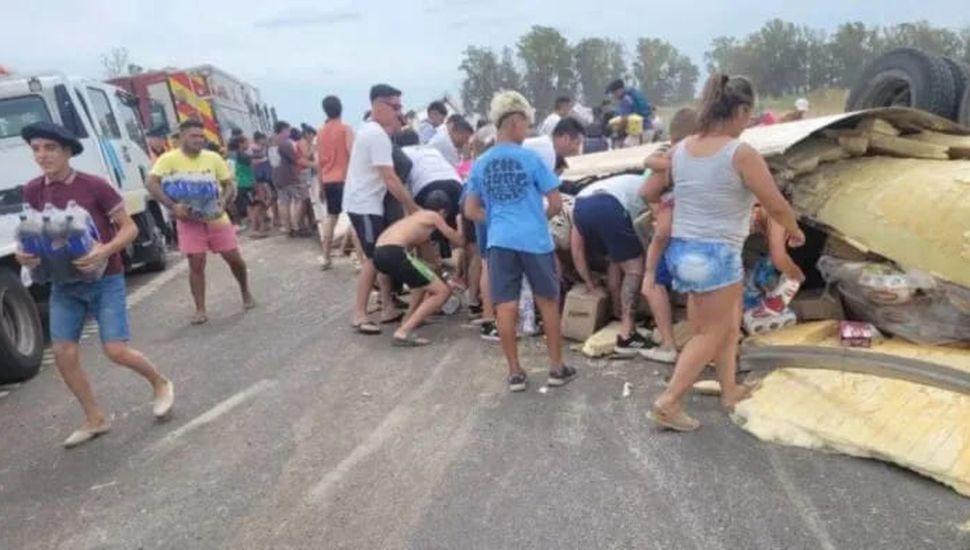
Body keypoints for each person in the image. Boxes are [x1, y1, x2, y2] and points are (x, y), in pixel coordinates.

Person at [643, 74, 805, 432]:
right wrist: (794, 230)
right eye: (749, 115)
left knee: (726, 328)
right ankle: (668, 401)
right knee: (710, 334)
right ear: (741, 110)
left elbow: (649, 189)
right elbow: (774, 203)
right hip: (717, 256)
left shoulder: (681, 148)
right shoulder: (740, 153)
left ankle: (730, 390)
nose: (749, 122)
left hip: (683, 253)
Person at [16, 122, 175, 448]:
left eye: (50, 148)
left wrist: (103, 249)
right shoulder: (33, 190)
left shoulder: (94, 186)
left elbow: (129, 228)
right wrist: (24, 255)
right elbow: (35, 232)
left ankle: (160, 383)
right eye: (36, 149)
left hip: (105, 279)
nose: (42, 155)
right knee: (63, 352)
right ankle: (95, 418)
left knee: (115, 349)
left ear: (67, 151)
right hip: (63, 284)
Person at [464, 90, 576, 393]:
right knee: (548, 302)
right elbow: (555, 203)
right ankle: (556, 368)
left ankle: (514, 372)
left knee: (506, 305)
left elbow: (470, 210)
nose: (527, 131)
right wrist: (533, 217)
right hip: (534, 240)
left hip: (500, 242)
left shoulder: (481, 163)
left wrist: (499, 219)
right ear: (515, 122)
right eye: (526, 125)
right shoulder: (531, 159)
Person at [147, 119, 255, 325]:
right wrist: (172, 206)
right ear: (182, 137)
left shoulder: (213, 158)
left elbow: (228, 184)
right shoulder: (168, 159)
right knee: (196, 262)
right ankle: (200, 309)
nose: (198, 140)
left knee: (234, 258)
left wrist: (223, 200)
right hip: (188, 220)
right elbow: (151, 183)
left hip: (215, 218)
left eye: (201, 136)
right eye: (193, 136)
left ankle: (246, 292)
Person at [345, 84, 420, 335]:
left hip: (371, 203)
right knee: (372, 259)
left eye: (401, 107)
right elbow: (390, 178)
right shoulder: (375, 134)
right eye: (395, 107)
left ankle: (387, 305)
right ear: (378, 105)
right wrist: (413, 208)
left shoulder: (373, 132)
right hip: (364, 204)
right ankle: (359, 313)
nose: (399, 113)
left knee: (380, 253)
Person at [639, 108, 701, 364]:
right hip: (696, 232)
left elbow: (645, 192)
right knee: (697, 290)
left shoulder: (668, 159)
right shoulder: (702, 156)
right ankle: (702, 345)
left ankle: (668, 344)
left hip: (669, 230)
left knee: (654, 282)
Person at [571, 172, 651, 356]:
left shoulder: (592, 191)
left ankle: (616, 311)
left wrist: (590, 283)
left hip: (581, 208)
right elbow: (645, 232)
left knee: (615, 258)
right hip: (610, 205)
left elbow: (577, 250)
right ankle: (627, 333)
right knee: (634, 269)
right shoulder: (648, 187)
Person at [373, 190, 464, 346]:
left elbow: (431, 264)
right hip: (394, 252)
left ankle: (409, 319)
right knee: (442, 292)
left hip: (380, 253)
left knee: (423, 279)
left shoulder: (415, 219)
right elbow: (458, 240)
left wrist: (443, 276)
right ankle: (403, 332)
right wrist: (460, 223)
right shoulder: (433, 216)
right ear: (442, 211)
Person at [317, 95, 359, 270]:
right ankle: (360, 261)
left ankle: (326, 257)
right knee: (355, 219)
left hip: (328, 181)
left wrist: (320, 185)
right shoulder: (345, 129)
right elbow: (354, 154)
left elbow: (319, 161)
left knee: (331, 218)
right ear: (341, 108)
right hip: (346, 180)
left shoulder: (320, 132)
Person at [273, 121, 312, 237]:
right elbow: (296, 159)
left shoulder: (271, 143)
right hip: (289, 176)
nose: (289, 133)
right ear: (283, 130)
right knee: (298, 200)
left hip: (276, 176)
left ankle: (287, 228)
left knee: (283, 203)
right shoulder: (284, 144)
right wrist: (314, 164)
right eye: (288, 130)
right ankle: (297, 226)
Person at [228, 135, 256, 232]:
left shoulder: (231, 154)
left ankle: (253, 225)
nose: (248, 144)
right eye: (246, 142)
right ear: (240, 143)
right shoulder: (242, 155)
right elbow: (251, 168)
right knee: (254, 205)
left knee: (249, 205)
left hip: (238, 183)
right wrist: (254, 182)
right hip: (246, 183)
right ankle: (256, 228)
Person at [249, 132, 272, 238]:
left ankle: (262, 227)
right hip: (257, 181)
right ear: (259, 139)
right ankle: (255, 229)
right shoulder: (254, 150)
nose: (265, 140)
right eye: (264, 138)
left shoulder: (258, 149)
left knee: (261, 204)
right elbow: (253, 165)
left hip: (260, 180)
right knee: (258, 204)